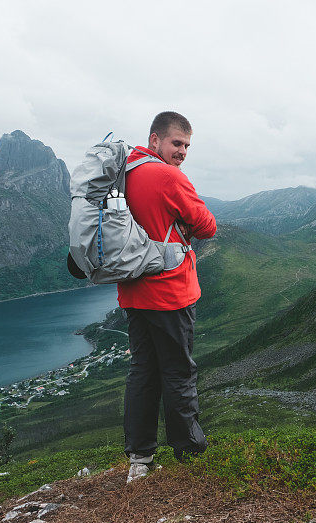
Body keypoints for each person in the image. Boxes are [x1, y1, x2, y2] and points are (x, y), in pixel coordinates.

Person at [117, 111, 217, 483]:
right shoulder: (167, 176)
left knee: (142, 371)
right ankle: (189, 453)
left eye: (188, 146)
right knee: (178, 372)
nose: (183, 152)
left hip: (132, 292)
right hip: (170, 292)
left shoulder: (123, 173)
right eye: (177, 143)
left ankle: (140, 459)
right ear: (155, 139)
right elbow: (207, 226)